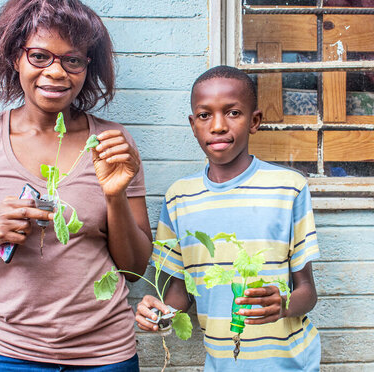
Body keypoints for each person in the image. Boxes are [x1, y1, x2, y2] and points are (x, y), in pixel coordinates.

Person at [0, 0, 152, 370]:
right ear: (15, 58)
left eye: (73, 60)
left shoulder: (111, 144)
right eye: (39, 56)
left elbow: (133, 270)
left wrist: (115, 197)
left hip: (106, 356)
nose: (56, 72)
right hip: (10, 355)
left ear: (88, 67)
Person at [136, 66, 321, 371]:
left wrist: (284, 304)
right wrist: (161, 313)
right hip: (221, 364)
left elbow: (308, 292)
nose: (218, 126)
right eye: (205, 115)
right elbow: (180, 294)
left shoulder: (289, 187)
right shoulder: (178, 198)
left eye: (233, 113)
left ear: (254, 121)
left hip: (290, 363)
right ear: (193, 125)